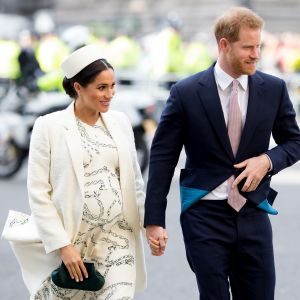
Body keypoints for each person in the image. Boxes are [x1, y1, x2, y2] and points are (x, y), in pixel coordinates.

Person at [144, 6, 300, 300]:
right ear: (224, 45)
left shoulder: (274, 89)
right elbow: (163, 157)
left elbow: (294, 142)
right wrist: (154, 219)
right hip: (204, 215)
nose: (257, 54)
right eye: (248, 47)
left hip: (253, 212)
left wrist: (266, 161)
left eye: (259, 46)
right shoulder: (186, 92)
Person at [2, 44, 146, 299]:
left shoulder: (121, 122)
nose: (110, 94)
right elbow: (38, 192)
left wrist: (151, 225)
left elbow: (134, 182)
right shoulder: (49, 126)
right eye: (101, 87)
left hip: (118, 240)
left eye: (113, 86)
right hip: (72, 243)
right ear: (78, 87)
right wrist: (63, 246)